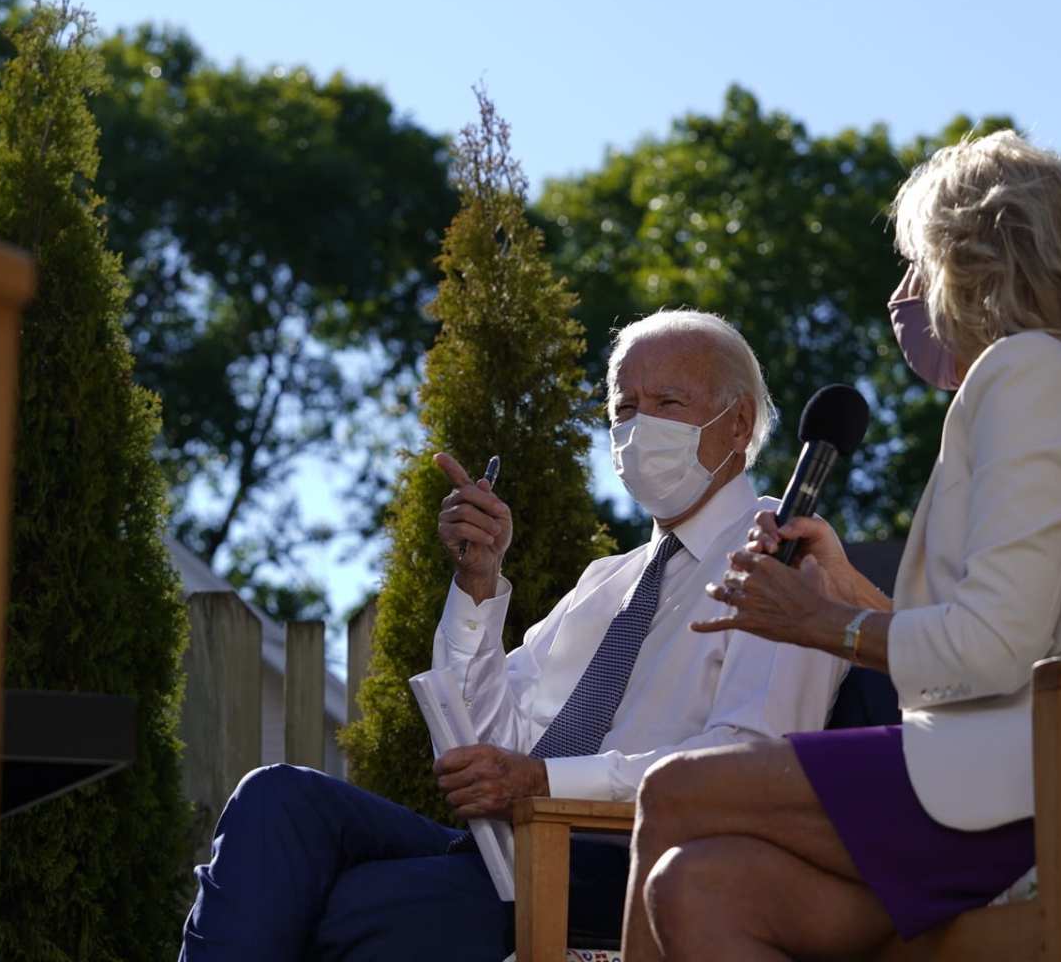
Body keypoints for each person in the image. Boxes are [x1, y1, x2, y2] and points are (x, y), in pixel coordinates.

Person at [618, 131, 1061, 960]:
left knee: (675, 792)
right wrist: (848, 601)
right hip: (1051, 775)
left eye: (916, 266)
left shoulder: (1027, 371)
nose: (902, 296)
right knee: (702, 886)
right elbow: (1012, 640)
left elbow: (992, 652)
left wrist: (818, 625)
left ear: (975, 264)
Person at [179, 310, 846, 961]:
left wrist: (545, 782)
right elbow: (485, 743)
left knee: (369, 904)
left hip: (643, 862)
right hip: (514, 850)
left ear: (737, 424)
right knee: (277, 800)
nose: (639, 429)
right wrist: (477, 583)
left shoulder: (780, 556)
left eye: (667, 402)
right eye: (623, 410)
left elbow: (748, 763)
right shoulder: (607, 583)